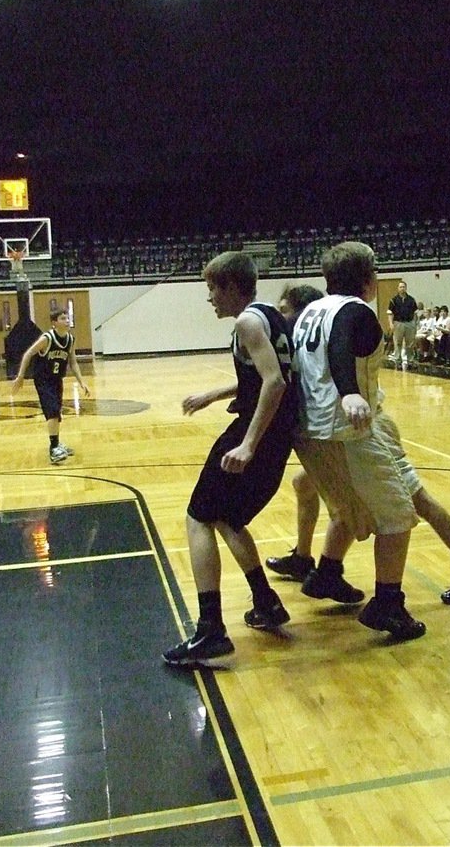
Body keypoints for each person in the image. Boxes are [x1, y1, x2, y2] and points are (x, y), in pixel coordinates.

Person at [266, 286, 450, 606]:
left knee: (417, 502)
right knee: (343, 499)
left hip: (373, 426)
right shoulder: (304, 336)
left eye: (286, 308)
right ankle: (327, 570)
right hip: (348, 431)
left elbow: (339, 365)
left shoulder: (326, 327)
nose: (284, 315)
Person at [162, 252, 297, 667]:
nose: (210, 299)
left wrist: (248, 444)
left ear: (231, 287)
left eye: (212, 290)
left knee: (197, 515)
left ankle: (211, 630)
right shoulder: (268, 315)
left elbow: (274, 384)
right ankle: (265, 600)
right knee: (226, 517)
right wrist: (214, 395)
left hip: (256, 434)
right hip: (278, 435)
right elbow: (263, 376)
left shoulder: (247, 322)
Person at [292, 241, 425, 640]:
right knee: (398, 514)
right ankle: (387, 605)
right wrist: (349, 390)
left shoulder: (309, 312)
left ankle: (327, 574)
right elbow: (340, 349)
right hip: (345, 428)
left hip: (308, 431)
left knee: (353, 508)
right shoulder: (356, 311)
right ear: (370, 279)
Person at [10, 309, 91, 464]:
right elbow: (28, 354)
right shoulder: (47, 338)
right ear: (54, 322)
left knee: (57, 413)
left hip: (56, 379)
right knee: (52, 412)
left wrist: (82, 382)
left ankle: (57, 443)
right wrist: (20, 376)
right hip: (43, 379)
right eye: (63, 318)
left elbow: (73, 362)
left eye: (68, 318)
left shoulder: (70, 339)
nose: (67, 321)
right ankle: (53, 449)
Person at [386, 280, 418, 371]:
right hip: (398, 323)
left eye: (403, 287)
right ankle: (398, 361)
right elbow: (390, 313)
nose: (402, 288)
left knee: (410, 344)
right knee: (398, 343)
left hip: (409, 323)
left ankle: (410, 361)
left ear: (406, 288)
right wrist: (391, 323)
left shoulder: (411, 300)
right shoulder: (393, 300)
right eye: (400, 287)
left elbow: (415, 313)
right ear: (398, 288)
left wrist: (414, 324)